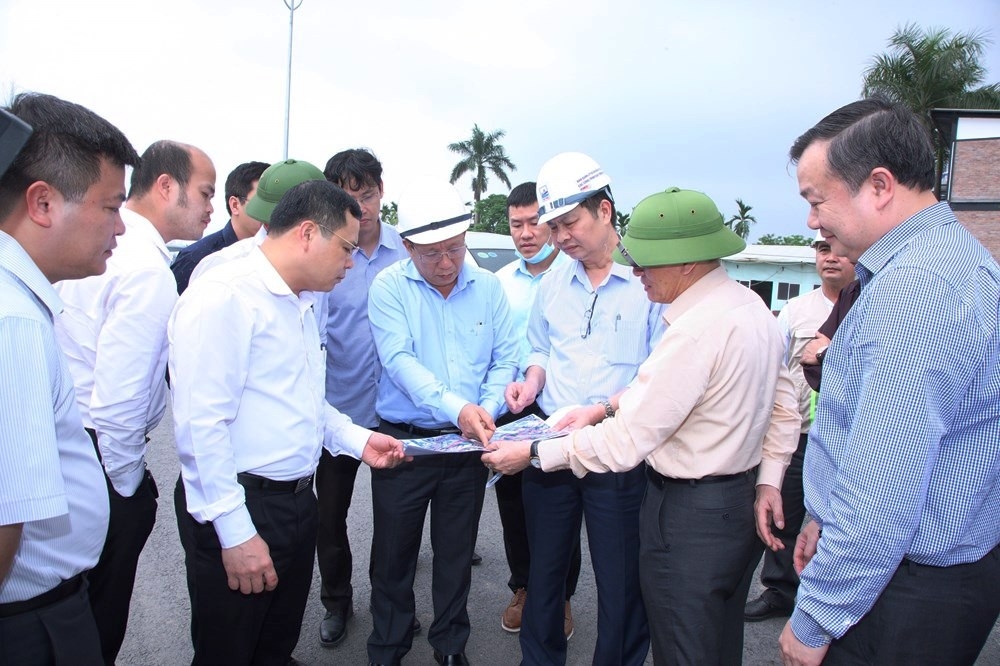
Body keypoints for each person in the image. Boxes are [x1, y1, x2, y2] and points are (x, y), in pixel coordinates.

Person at [484, 186, 799, 665]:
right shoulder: (752, 307)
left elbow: (629, 436)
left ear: (687, 262)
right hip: (736, 498)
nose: (636, 274)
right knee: (713, 638)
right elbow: (784, 405)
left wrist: (531, 454)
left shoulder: (691, 332)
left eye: (647, 263)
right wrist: (771, 478)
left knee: (680, 638)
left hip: (688, 508)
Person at [779, 98, 1000, 666]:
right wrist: (823, 516)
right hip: (918, 577)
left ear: (878, 185)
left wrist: (815, 618)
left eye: (816, 200)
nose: (812, 221)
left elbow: (885, 488)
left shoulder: (916, 293)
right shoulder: (942, 260)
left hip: (905, 591)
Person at [169, 179, 407, 666]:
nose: (350, 262)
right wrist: (234, 532)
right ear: (305, 233)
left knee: (274, 646)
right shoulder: (226, 295)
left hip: (296, 503)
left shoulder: (302, 300)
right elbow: (200, 424)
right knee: (229, 651)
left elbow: (304, 403)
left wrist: (359, 440)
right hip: (242, 504)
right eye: (344, 248)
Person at [53, 139, 215, 664]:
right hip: (99, 461)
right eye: (206, 193)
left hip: (68, 444)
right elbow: (118, 405)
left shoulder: (95, 245)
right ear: (166, 187)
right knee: (97, 619)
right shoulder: (146, 270)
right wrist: (126, 489)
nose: (212, 208)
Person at [502, 152, 663, 666]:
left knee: (620, 577)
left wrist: (600, 410)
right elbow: (541, 347)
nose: (560, 237)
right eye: (554, 227)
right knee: (544, 571)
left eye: (570, 222)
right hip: (552, 443)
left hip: (618, 450)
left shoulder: (649, 283)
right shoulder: (554, 282)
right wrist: (531, 382)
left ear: (606, 210)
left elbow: (661, 373)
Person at [0, 91, 139, 664]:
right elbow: (7, 520)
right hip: (30, 626)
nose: (121, 227)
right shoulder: (13, 321)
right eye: (110, 206)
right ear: (43, 203)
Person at [366, 182, 518, 666]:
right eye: (431, 254)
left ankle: (450, 646)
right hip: (405, 444)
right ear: (407, 247)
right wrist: (459, 408)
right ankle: (388, 647)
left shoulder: (489, 288)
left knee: (456, 554)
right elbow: (399, 361)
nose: (447, 263)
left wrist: (488, 408)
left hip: (468, 443)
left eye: (455, 248)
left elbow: (504, 359)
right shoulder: (389, 287)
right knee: (394, 555)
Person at [315, 148, 408, 648]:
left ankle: (392, 605)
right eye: (348, 196)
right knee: (329, 518)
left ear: (380, 192)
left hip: (396, 413)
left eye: (367, 194)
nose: (361, 206)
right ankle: (336, 601)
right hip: (338, 411)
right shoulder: (327, 257)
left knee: (395, 524)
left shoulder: (406, 250)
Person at [744, 232, 854, 622]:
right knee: (783, 513)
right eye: (823, 250)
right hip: (800, 435)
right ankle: (779, 589)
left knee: (839, 518)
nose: (831, 258)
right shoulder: (795, 310)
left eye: (839, 251)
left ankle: (832, 599)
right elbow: (774, 370)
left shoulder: (867, 306)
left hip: (848, 438)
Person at [491, 181, 579, 636]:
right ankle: (523, 587)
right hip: (513, 410)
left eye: (533, 222)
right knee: (514, 506)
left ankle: (561, 598)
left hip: (561, 412)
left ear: (551, 223)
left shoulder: (576, 274)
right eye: (515, 224)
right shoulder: (500, 282)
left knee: (563, 506)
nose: (525, 233)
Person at [171, 160, 269, 293]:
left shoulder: (280, 257)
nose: (272, 211)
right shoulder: (196, 259)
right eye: (263, 203)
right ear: (235, 205)